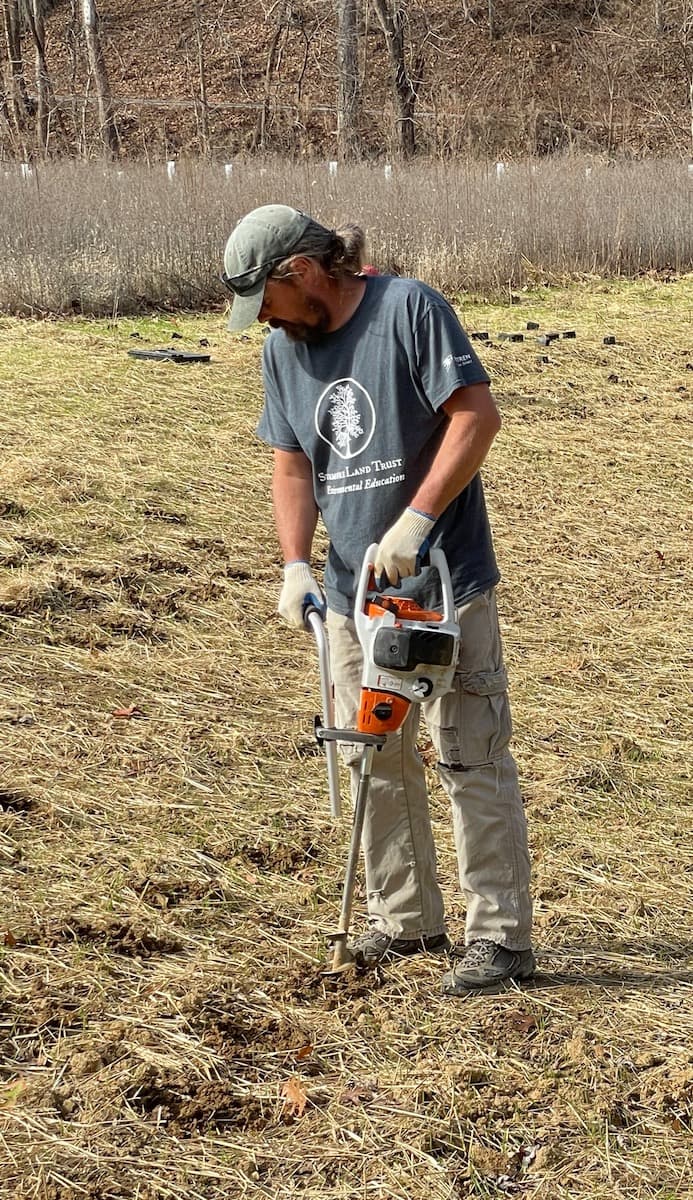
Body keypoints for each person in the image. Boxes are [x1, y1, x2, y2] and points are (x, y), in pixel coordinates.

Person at [221, 204, 534, 995]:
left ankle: (498, 937)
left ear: (302, 273)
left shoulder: (408, 310)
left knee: (469, 751)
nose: (265, 320)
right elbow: (291, 463)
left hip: (438, 584)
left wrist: (418, 520)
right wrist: (296, 564)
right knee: (371, 756)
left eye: (267, 301)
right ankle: (406, 921)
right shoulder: (281, 355)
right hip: (353, 597)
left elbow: (475, 416)